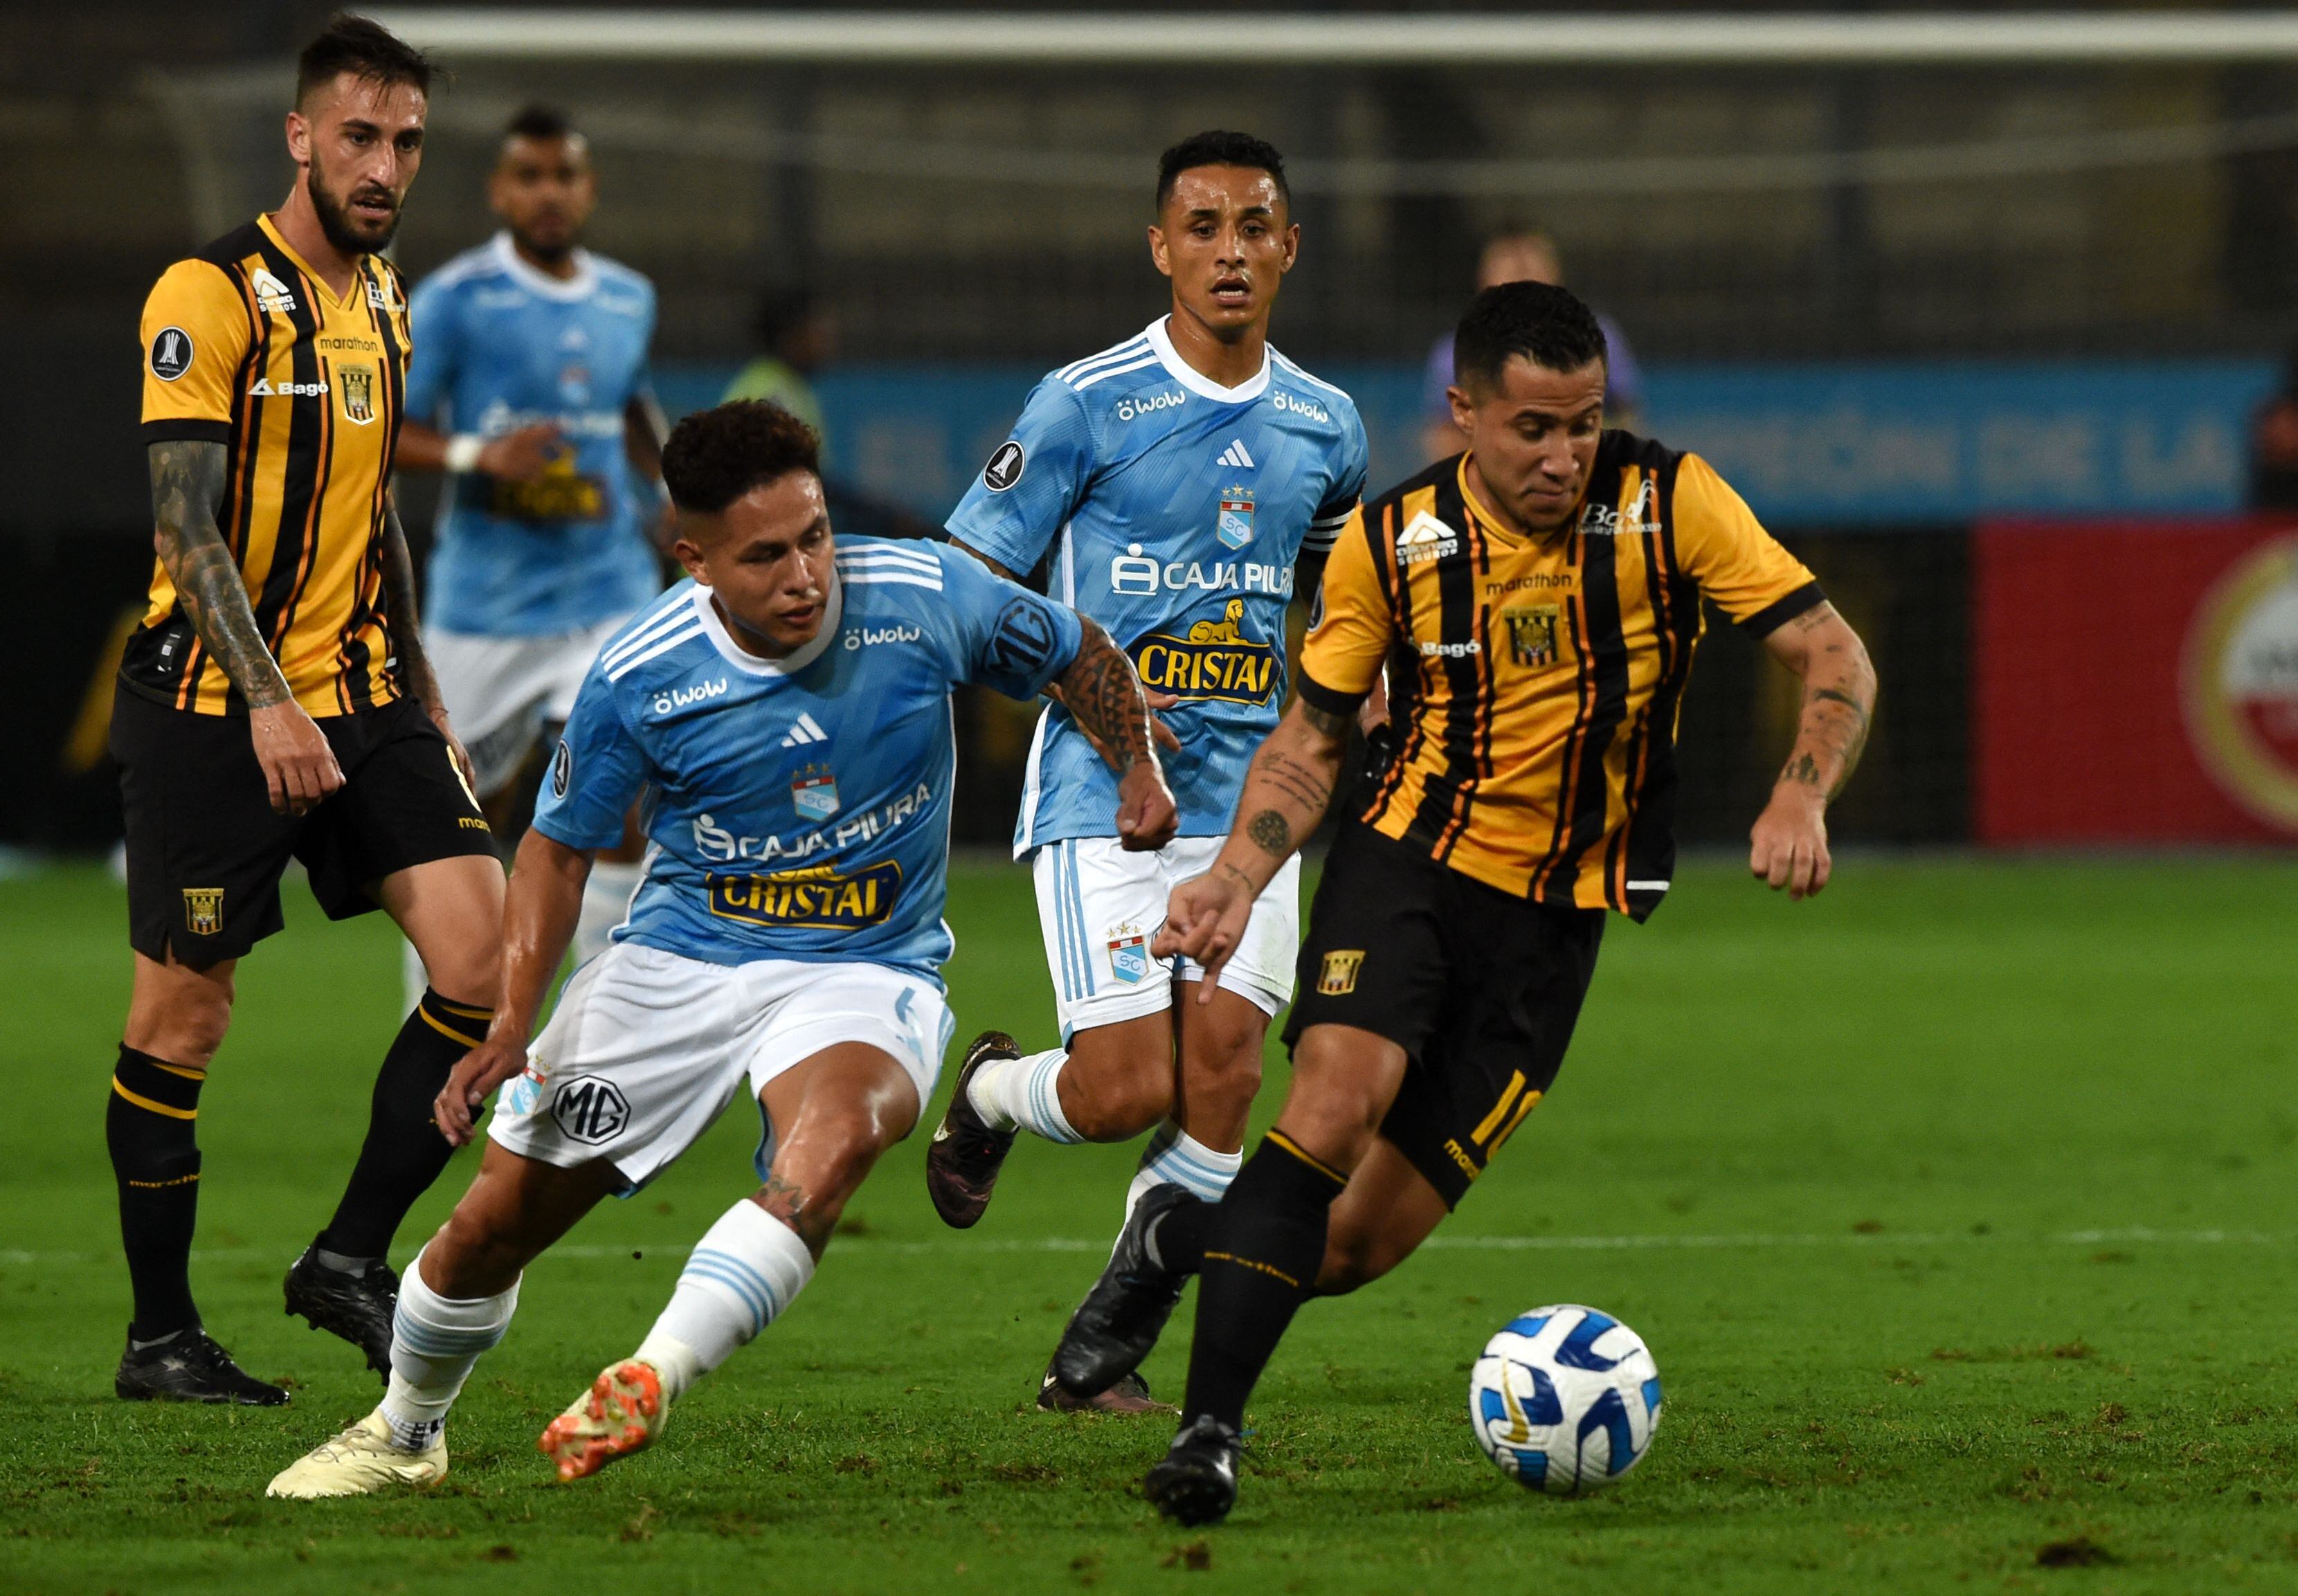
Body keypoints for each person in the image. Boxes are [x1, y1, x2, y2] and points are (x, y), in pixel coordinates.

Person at [263, 400, 1175, 1498]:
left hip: (866, 968)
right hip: (677, 964)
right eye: (766, 554)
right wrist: (509, 1024)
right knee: (488, 1227)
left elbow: (1080, 653)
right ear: (692, 558)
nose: (806, 575)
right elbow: (556, 852)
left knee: (833, 1147)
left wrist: (1136, 767)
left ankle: (650, 1374)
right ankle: (406, 1432)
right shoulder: (641, 675)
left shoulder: (924, 596)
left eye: (816, 536)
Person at [1099, 281, 1879, 1524]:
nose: (1563, 455)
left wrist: (1802, 792)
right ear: (1462, 413)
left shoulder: (1671, 500)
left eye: (1582, 424)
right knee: (1332, 1106)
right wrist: (1238, 876)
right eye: (1532, 428)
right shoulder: (1388, 543)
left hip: (1555, 923)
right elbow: (1308, 743)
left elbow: (1834, 655)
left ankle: (1173, 1243)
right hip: (1407, 865)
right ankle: (1207, 1435)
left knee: (1351, 1246)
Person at [927, 131, 1367, 1413]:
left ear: (1290, 246)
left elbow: (1334, 599)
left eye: (1255, 226)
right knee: (1132, 1087)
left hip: (1257, 807)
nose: (1230, 251)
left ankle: (1101, 1350)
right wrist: (1094, 690)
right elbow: (967, 578)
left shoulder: (1324, 422)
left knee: (1227, 1072)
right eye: (1204, 227)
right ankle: (996, 1093)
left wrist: (1356, 680)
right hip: (1100, 797)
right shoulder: (1086, 401)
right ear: (1160, 246)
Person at [111, 16, 505, 1403]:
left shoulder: (386, 297)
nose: (385, 163)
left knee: (482, 949)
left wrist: (425, 686)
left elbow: (376, 508)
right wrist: (272, 700)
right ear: (300, 137)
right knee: (184, 1018)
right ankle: (161, 1336)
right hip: (218, 707)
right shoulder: (209, 292)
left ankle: (346, 1256)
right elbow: (183, 526)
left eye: (404, 140)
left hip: (367, 694)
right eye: (359, 136)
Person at [395, 104, 667, 978]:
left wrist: (669, 492)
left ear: (587, 190)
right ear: (499, 192)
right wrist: (481, 455)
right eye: (529, 176)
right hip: (486, 609)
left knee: (621, 804)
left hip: (609, 593)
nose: (548, 193)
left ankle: (597, 1042)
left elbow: (628, 405)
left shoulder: (629, 296)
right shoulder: (454, 301)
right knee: (448, 831)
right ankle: (434, 1041)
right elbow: (384, 429)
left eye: (564, 176)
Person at [1420, 226, 1643, 462]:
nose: (1521, 272)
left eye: (1532, 260)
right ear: (1482, 275)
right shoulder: (1454, 350)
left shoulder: (1599, 335)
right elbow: (1444, 437)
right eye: (1507, 261)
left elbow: (1625, 421)